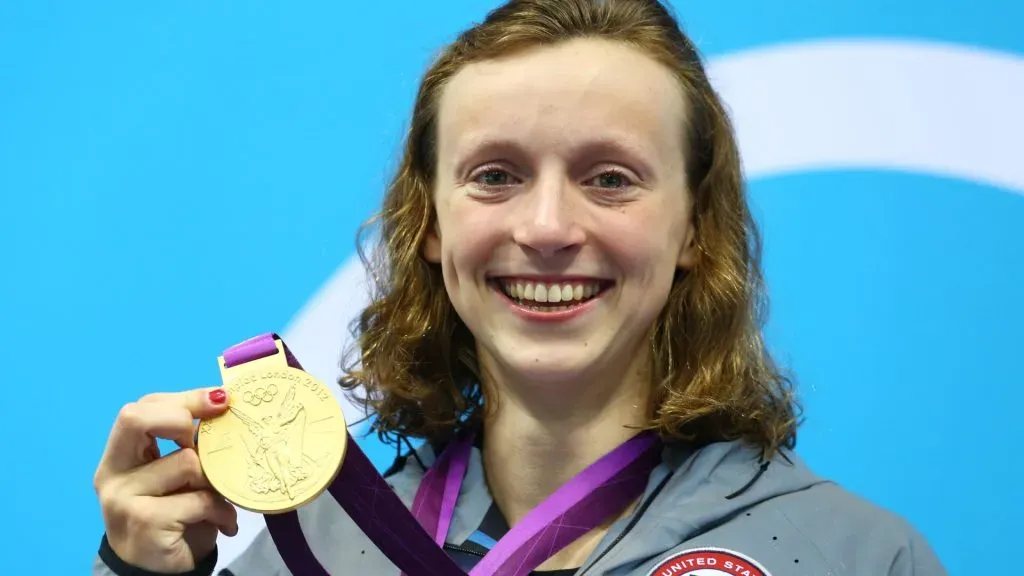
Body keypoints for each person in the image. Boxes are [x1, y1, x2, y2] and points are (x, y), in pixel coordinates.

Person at [91, 1, 947, 574]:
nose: (545, 228)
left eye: (610, 178)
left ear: (694, 228)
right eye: (495, 175)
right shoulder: (306, 552)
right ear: (428, 223)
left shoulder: (853, 555)